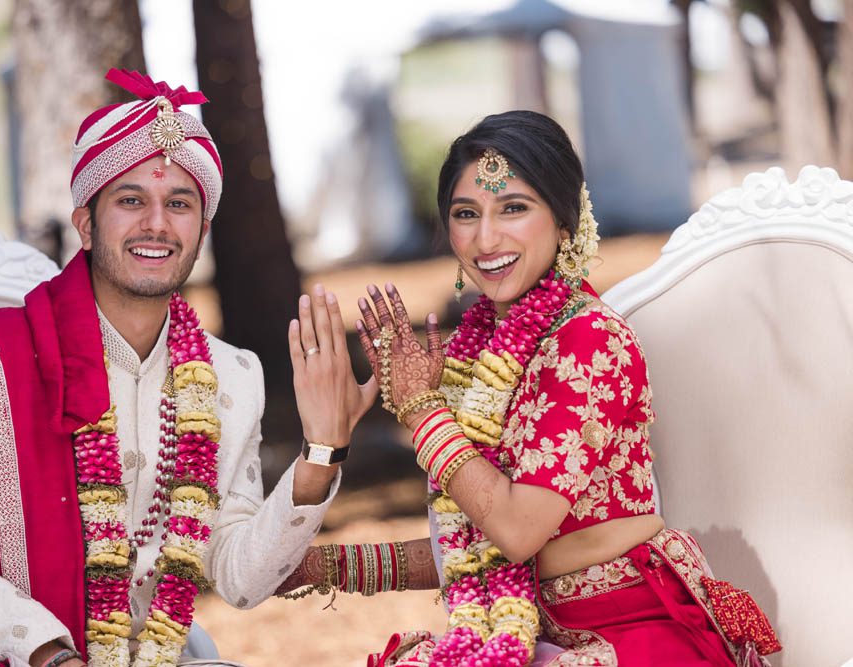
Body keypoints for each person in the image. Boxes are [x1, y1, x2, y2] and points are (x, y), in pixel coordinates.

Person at [0, 69, 375, 667]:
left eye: (179, 204)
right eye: (131, 200)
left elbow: (238, 577)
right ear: (85, 223)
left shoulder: (233, 377)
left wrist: (321, 453)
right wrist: (49, 654)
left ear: (201, 232)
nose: (157, 223)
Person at [276, 111, 781, 666]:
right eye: (466, 214)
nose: (486, 238)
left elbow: (516, 530)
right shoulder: (483, 354)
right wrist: (323, 567)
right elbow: (471, 551)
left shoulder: (589, 340)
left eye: (513, 208)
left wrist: (422, 410)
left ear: (563, 221)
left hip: (630, 629)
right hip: (535, 632)